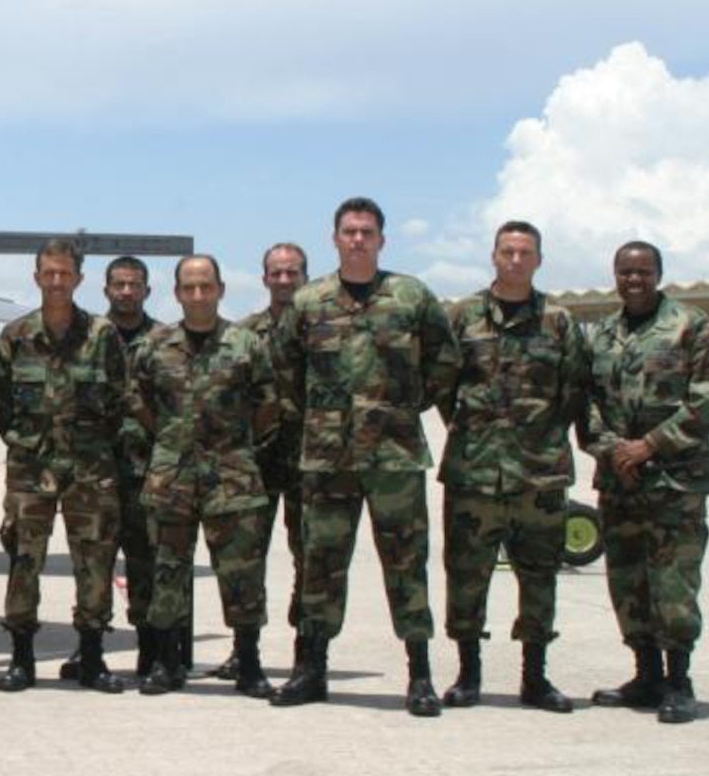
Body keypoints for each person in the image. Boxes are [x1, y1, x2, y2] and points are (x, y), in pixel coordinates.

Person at [271, 196, 459, 715]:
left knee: (406, 565)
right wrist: (319, 418)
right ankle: (312, 670)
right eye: (349, 232)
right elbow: (284, 370)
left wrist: (403, 406)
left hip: (395, 457)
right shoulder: (310, 303)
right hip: (328, 459)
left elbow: (444, 363)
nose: (358, 240)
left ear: (381, 240)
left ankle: (419, 675)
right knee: (320, 565)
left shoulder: (410, 297)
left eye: (367, 232)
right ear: (335, 239)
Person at [434, 222, 589, 713]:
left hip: (538, 475)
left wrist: (536, 436)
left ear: (539, 260)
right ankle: (468, 674)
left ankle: (535, 677)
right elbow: (443, 385)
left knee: (539, 575)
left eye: (525, 252)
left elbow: (574, 390)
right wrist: (476, 432)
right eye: (507, 251)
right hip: (473, 473)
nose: (516, 260)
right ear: (494, 257)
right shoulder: (462, 317)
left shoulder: (559, 322)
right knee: (466, 575)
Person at [581, 241, 709, 724]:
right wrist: (612, 449)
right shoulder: (601, 335)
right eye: (626, 271)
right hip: (619, 482)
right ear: (615, 275)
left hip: (675, 483)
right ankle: (645, 675)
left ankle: (679, 681)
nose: (634, 279)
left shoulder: (692, 326)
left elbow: (708, 399)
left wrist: (649, 446)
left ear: (659, 274)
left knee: (674, 583)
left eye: (643, 271)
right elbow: (588, 406)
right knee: (627, 579)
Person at [129, 256, 281, 696]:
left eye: (206, 286)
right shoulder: (154, 347)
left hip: (231, 476)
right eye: (189, 287)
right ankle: (167, 664)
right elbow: (137, 403)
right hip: (171, 477)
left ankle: (249, 663)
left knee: (241, 575)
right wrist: (170, 441)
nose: (198, 295)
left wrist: (237, 445)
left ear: (220, 290)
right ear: (177, 293)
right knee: (167, 571)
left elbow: (268, 404)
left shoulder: (245, 344)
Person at [0, 239, 129, 693]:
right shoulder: (15, 337)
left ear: (79, 279)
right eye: (48, 273)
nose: (56, 282)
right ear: (36, 277)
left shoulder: (102, 336)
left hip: (90, 469)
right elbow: (2, 406)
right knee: (25, 560)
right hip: (31, 470)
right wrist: (29, 446)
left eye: (65, 274)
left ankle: (91, 656)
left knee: (94, 562)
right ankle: (22, 658)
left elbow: (119, 401)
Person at [63, 256, 167, 681]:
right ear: (105, 290)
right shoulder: (86, 337)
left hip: (148, 471)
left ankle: (151, 652)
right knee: (94, 564)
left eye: (134, 284)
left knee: (147, 562)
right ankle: (89, 650)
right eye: (119, 284)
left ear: (146, 290)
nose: (126, 291)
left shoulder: (165, 341)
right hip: (95, 472)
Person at [217, 242, 308, 681]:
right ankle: (243, 649)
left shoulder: (322, 328)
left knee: (310, 558)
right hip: (255, 460)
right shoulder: (245, 334)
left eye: (293, 273)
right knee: (245, 558)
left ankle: (307, 654)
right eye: (277, 273)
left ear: (305, 276)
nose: (285, 280)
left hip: (311, 459)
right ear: (264, 279)